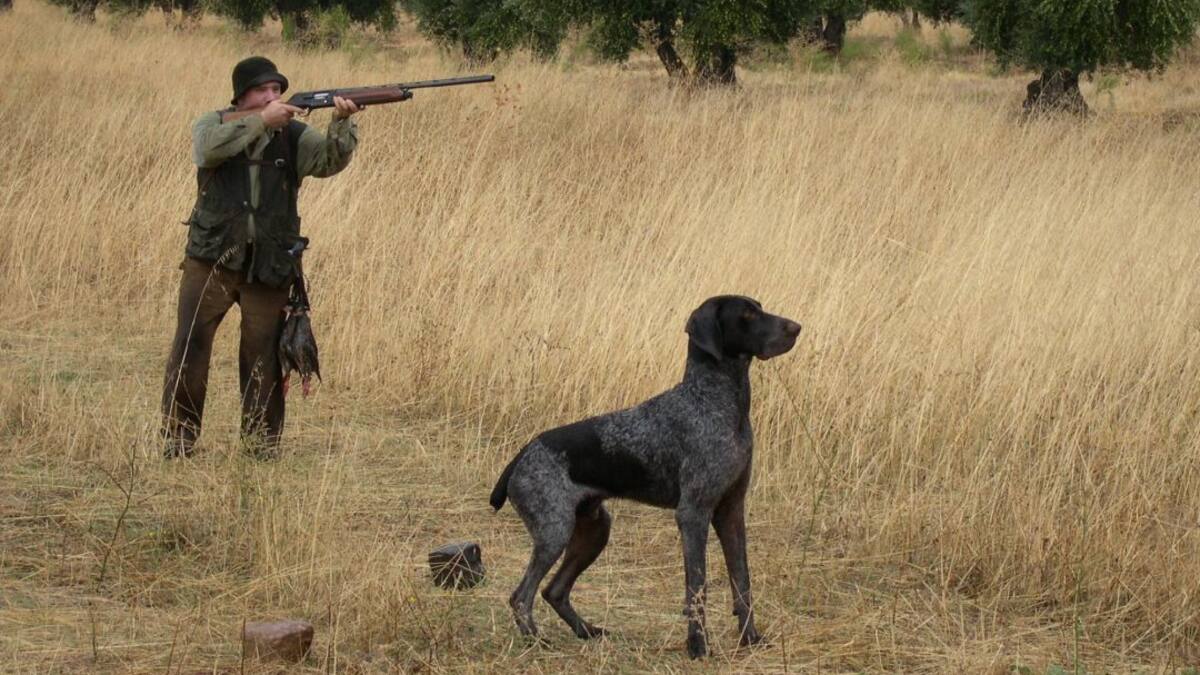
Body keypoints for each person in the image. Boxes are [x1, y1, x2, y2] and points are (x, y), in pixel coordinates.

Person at [161, 56, 361, 458]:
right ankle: (179, 439)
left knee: (264, 356)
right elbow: (206, 151)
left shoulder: (293, 134)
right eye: (262, 90)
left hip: (270, 261)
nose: (272, 97)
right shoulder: (213, 123)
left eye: (276, 90)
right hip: (212, 256)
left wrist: (341, 123)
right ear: (241, 96)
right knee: (190, 347)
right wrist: (261, 122)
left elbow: (327, 161)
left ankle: (260, 445)